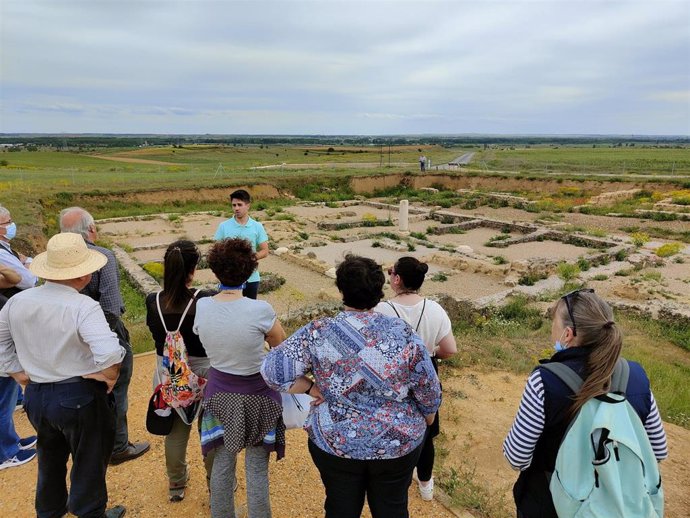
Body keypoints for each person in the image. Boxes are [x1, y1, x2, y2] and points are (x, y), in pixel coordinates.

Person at [261, 254, 442, 518]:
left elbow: (272, 371)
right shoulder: (402, 333)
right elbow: (429, 389)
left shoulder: (318, 331)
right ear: (379, 291)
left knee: (340, 508)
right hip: (397, 443)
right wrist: (427, 418)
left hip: (335, 442)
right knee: (392, 508)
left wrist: (311, 388)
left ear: (341, 290)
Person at [503, 289, 668, 518]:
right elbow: (658, 449)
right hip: (619, 505)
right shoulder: (636, 376)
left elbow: (517, 456)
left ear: (567, 334)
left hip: (550, 504)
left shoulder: (544, 381)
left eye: (554, 323)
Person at [0, 232, 127, 518]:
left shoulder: (18, 302)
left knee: (50, 459)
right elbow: (108, 353)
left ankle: (49, 511)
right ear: (82, 275)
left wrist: (17, 372)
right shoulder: (83, 306)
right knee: (89, 462)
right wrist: (110, 375)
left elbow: (0, 342)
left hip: (36, 394)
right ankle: (89, 512)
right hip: (78, 394)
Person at [193, 238, 286, 518]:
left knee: (222, 465)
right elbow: (280, 345)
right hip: (259, 396)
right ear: (249, 270)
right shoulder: (261, 310)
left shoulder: (203, 306)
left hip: (220, 394)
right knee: (257, 469)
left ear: (216, 269)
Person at [60, 207, 150, 465]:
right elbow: (110, 305)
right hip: (103, 329)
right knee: (117, 386)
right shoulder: (102, 256)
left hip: (68, 333)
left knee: (84, 387)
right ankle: (119, 446)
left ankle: (90, 444)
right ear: (90, 230)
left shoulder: (56, 258)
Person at [374, 256, 457, 501]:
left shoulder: (381, 310)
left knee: (391, 424)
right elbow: (450, 349)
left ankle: (393, 478)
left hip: (390, 373)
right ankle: (426, 485)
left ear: (397, 279)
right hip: (427, 371)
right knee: (427, 432)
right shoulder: (435, 309)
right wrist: (432, 356)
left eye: (391, 272)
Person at [145, 239, 216, 502]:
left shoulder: (152, 300)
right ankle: (215, 483)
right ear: (193, 268)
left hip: (169, 372)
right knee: (209, 430)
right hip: (204, 371)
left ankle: (176, 483)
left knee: (175, 432)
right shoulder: (204, 300)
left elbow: (156, 335)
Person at [213, 189, 269, 299]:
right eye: (234, 205)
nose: (236, 208)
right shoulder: (223, 226)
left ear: (248, 205)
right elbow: (216, 251)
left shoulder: (257, 226)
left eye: (240, 204)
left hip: (251, 278)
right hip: (229, 279)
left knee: (250, 312)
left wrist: (248, 260)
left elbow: (265, 251)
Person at [0, 205, 38, 298]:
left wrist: (26, 262)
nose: (12, 225)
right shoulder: (1, 253)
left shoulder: (5, 247)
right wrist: (28, 263)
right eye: (8, 222)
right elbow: (29, 281)